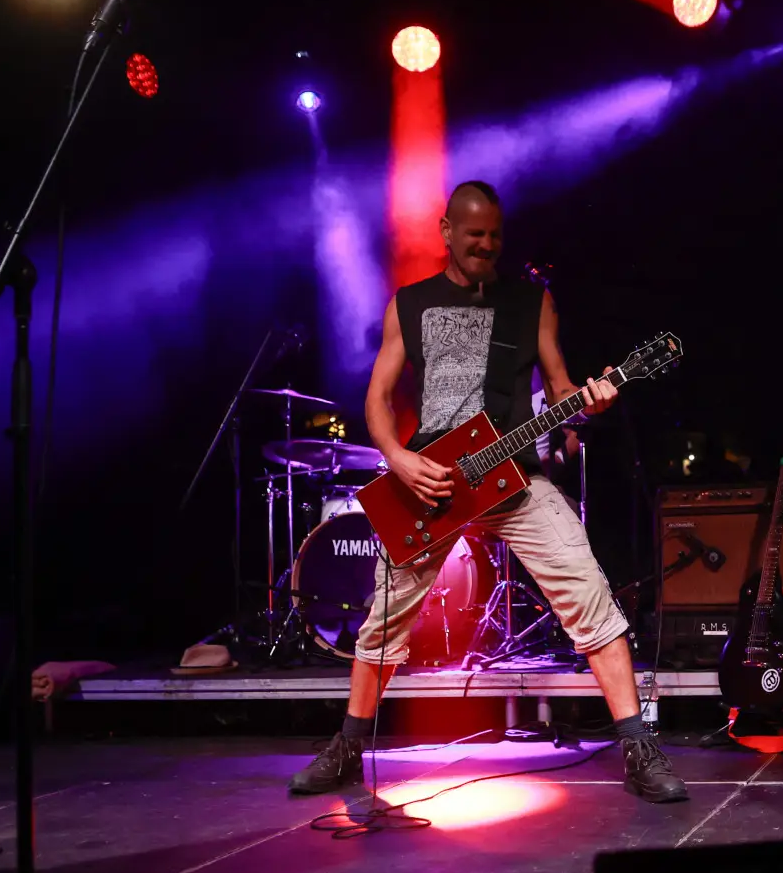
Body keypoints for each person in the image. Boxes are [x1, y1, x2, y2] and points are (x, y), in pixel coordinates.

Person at [289, 181, 686, 802]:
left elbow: (560, 390)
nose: (486, 245)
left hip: (515, 479)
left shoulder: (531, 303)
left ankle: (638, 748)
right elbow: (376, 400)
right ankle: (347, 748)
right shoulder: (410, 304)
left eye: (495, 235)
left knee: (590, 596)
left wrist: (590, 401)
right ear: (446, 231)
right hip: (432, 485)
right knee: (382, 622)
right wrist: (399, 460)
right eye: (474, 234)